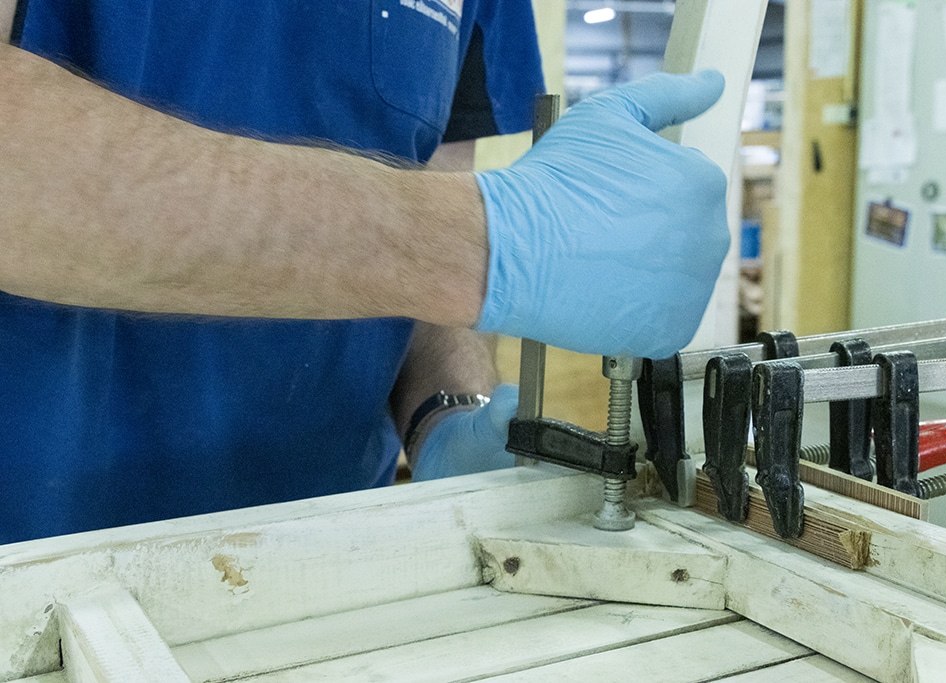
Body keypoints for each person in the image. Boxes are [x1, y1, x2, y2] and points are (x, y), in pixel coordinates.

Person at [0, 1, 730, 544]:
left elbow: (421, 236)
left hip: (335, 549)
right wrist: (478, 241)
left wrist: (446, 411)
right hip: (32, 562)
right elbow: (437, 239)